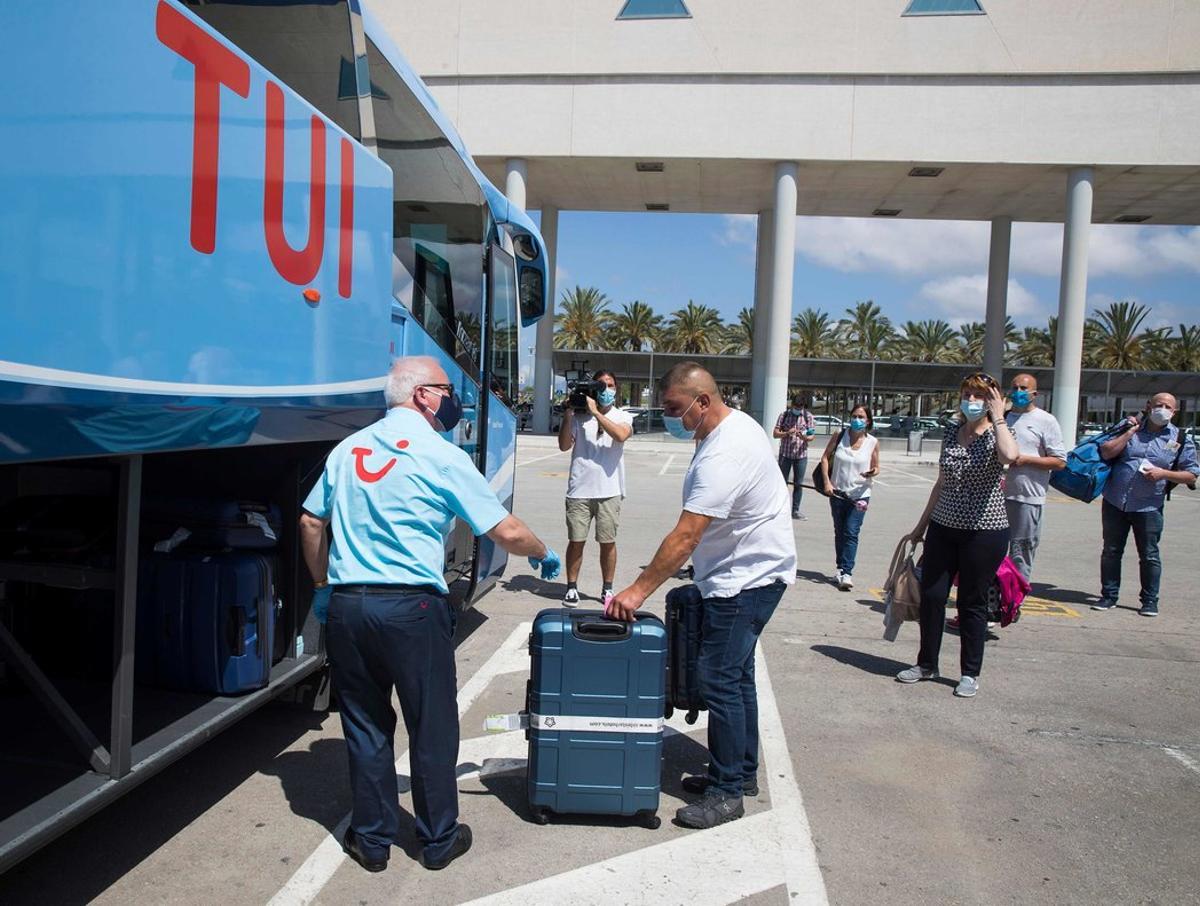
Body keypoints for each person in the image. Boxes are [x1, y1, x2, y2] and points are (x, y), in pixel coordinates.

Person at [299, 356, 561, 873]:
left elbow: (311, 522)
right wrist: (540, 550)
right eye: (445, 388)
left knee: (365, 724)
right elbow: (503, 530)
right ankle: (438, 839)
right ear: (422, 395)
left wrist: (322, 587)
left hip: (350, 607)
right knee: (431, 724)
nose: (452, 397)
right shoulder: (440, 455)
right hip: (413, 609)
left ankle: (371, 842)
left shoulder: (347, 449)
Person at [608, 363, 796, 829]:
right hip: (746, 571)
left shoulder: (724, 452)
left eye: (675, 408)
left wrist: (637, 590)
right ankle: (740, 771)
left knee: (718, 681)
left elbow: (687, 534)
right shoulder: (731, 429)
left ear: (703, 401)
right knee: (737, 677)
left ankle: (728, 792)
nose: (671, 417)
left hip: (746, 580)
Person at [896, 372, 1018, 699]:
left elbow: (1009, 457)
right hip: (943, 527)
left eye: (980, 396)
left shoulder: (1000, 433)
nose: (972, 401)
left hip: (984, 531)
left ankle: (969, 673)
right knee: (933, 596)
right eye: (967, 394)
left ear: (993, 399)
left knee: (971, 603)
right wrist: (921, 527)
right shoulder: (951, 432)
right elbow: (941, 483)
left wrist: (999, 416)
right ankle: (926, 664)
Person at [1092, 392, 1199, 617]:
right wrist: (1130, 431)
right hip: (1115, 501)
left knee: (1149, 554)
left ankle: (1149, 600)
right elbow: (1106, 451)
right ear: (1148, 406)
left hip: (1149, 506)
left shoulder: (1179, 438)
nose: (1162, 409)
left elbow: (1191, 475)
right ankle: (1108, 596)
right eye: (1158, 405)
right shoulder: (1129, 427)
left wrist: (1164, 474)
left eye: (1168, 406)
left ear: (1174, 411)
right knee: (1111, 551)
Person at [557, 369, 634, 608]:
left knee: (607, 542)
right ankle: (571, 587)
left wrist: (595, 413)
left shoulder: (623, 416)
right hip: (579, 490)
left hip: (609, 491)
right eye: (601, 385)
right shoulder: (580, 418)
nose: (606, 390)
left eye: (610, 385)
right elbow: (563, 446)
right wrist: (569, 413)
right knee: (576, 540)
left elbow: (620, 435)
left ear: (616, 389)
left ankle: (607, 588)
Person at [1002, 373, 1067, 582]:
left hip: (1027, 498)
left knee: (1020, 552)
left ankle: (1015, 598)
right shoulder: (1002, 419)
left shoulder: (1045, 421)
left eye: (1023, 388)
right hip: (998, 496)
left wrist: (1025, 460)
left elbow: (1059, 461)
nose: (1018, 393)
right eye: (1015, 388)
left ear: (1034, 394)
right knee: (992, 550)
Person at [815, 403, 880, 590]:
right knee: (840, 530)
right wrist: (827, 482)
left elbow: (877, 466)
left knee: (851, 531)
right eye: (854, 416)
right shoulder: (839, 435)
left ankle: (847, 572)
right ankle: (839, 568)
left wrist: (872, 472)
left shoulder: (873, 442)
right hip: (837, 492)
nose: (857, 420)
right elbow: (825, 457)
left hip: (860, 494)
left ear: (868, 421)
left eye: (861, 417)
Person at [773, 392, 816, 520]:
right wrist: (787, 433)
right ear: (791, 405)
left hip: (801, 455)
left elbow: (811, 436)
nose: (798, 410)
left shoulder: (808, 417)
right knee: (782, 483)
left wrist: (804, 437)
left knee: (798, 484)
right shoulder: (784, 415)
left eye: (800, 408)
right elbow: (775, 433)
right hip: (785, 454)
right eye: (796, 407)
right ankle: (781, 509)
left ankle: (795, 510)